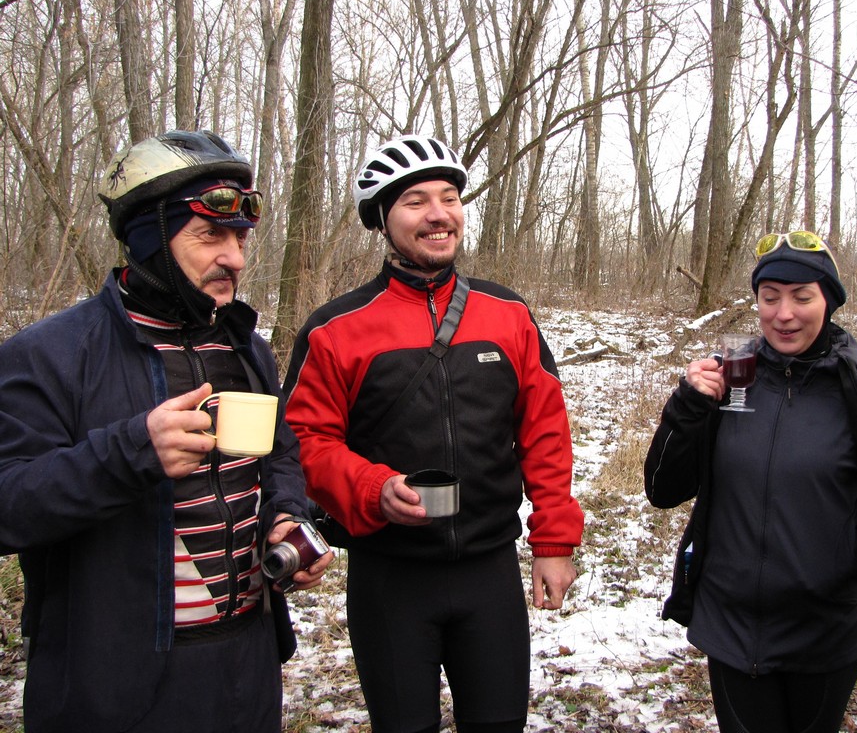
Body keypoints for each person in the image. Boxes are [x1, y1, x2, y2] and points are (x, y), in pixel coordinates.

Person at [0, 130, 333, 733]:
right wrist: (131, 453)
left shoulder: (246, 348)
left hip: (246, 670)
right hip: (114, 686)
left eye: (240, 238)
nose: (234, 258)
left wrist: (287, 515)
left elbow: (280, 456)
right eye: (210, 235)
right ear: (149, 237)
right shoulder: (50, 355)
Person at [283, 134, 584, 733]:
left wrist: (554, 541)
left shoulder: (508, 313)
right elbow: (303, 443)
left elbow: (545, 430)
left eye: (448, 198)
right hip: (390, 576)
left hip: (489, 570)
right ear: (382, 220)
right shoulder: (335, 328)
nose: (438, 214)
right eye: (415, 201)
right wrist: (373, 488)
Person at [644, 233, 857, 733]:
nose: (784, 314)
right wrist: (687, 407)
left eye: (802, 297)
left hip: (823, 631)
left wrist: (844, 561)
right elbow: (662, 490)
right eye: (770, 298)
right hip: (731, 624)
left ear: (829, 303)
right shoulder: (728, 385)